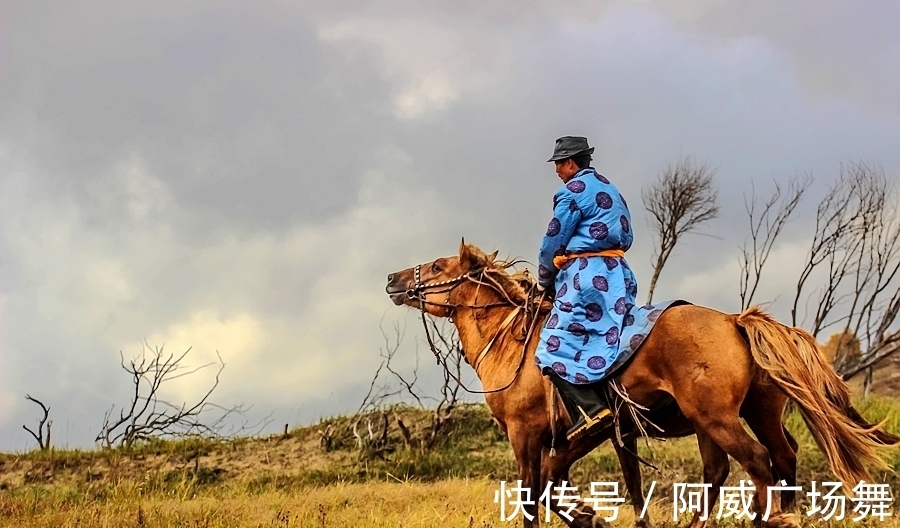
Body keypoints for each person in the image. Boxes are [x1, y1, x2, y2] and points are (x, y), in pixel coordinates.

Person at [535, 136, 638, 442]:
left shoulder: (571, 192)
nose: (556, 170)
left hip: (587, 279)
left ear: (570, 163)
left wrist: (545, 277)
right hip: (618, 277)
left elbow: (552, 240)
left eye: (558, 164)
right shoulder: (611, 189)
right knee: (606, 336)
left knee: (550, 348)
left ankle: (595, 410)